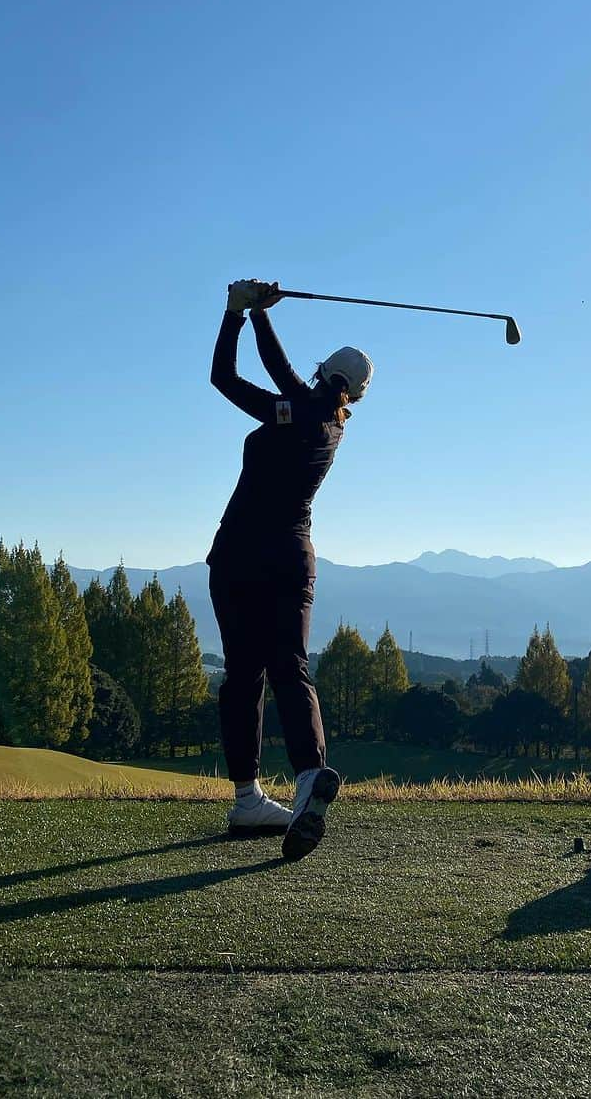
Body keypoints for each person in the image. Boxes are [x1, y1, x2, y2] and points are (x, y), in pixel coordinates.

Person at [207, 278, 373, 860]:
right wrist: (251, 315)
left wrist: (243, 313)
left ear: (326, 376)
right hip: (289, 558)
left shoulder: (300, 413)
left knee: (244, 675)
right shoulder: (321, 422)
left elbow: (231, 377)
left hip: (238, 555)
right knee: (288, 670)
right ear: (353, 394)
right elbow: (266, 380)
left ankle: (250, 794)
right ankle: (305, 782)